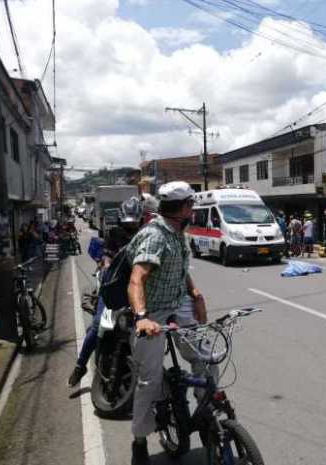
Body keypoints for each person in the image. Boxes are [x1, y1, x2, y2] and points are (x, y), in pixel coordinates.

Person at [127, 181, 207, 465]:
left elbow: (179, 269)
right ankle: (139, 441)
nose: (193, 209)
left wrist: (195, 293)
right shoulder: (155, 236)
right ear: (184, 208)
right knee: (149, 381)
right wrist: (141, 317)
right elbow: (137, 278)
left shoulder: (178, 233)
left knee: (205, 357)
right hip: (152, 313)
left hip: (178, 304)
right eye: (191, 205)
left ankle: (206, 412)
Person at [67, 197, 144, 388]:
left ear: (140, 220)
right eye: (127, 223)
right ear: (121, 221)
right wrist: (107, 267)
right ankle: (80, 365)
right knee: (98, 326)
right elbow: (107, 255)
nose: (130, 227)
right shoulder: (114, 233)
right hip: (113, 289)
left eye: (134, 223)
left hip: (139, 289)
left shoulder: (145, 236)